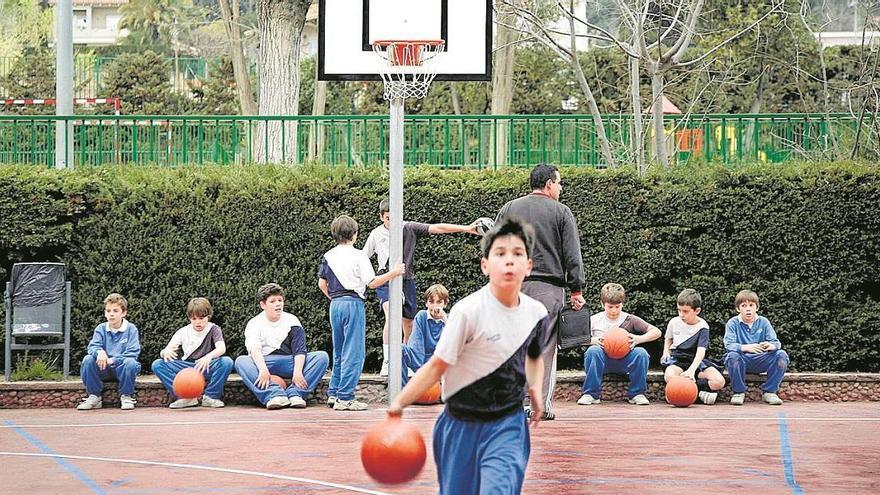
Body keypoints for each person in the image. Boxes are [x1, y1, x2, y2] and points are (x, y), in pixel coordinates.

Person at [389, 216, 551, 495]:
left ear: (529, 266)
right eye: (500, 253)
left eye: (518, 253)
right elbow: (438, 365)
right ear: (485, 265)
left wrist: (535, 388)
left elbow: (534, 356)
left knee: (498, 490)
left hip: (507, 423)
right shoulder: (467, 311)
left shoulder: (537, 314)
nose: (509, 260)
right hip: (459, 423)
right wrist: (399, 403)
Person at [496, 163, 585, 420]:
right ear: (549, 184)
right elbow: (572, 254)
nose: (561, 187)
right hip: (548, 289)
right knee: (545, 348)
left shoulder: (509, 208)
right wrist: (576, 289)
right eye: (559, 183)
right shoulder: (561, 212)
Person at [362, 198, 479, 376]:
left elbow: (437, 227)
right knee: (391, 314)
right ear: (381, 217)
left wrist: (466, 228)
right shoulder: (376, 234)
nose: (391, 222)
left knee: (408, 323)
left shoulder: (408, 228)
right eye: (387, 218)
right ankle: (388, 361)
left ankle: (406, 359)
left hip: (406, 279)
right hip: (386, 278)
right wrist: (371, 278)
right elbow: (362, 258)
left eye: (395, 217)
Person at [318, 214, 404, 411]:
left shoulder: (328, 255)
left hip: (336, 305)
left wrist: (334, 298)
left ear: (335, 234)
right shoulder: (359, 256)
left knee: (339, 351)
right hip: (353, 304)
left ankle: (334, 393)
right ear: (355, 235)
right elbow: (372, 283)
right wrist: (394, 272)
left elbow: (322, 283)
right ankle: (345, 397)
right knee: (354, 352)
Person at [234, 283, 329, 410]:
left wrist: (297, 372)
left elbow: (299, 350)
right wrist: (263, 370)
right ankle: (274, 395)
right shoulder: (254, 323)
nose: (278, 304)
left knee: (321, 357)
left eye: (280, 300)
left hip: (289, 362)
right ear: (263, 305)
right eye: (272, 301)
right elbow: (254, 349)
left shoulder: (292, 320)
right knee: (241, 361)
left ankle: (296, 394)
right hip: (265, 362)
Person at [578, 283, 662, 406]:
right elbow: (575, 338)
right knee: (593, 351)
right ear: (602, 304)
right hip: (602, 361)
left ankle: (637, 394)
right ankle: (591, 394)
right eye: (610, 306)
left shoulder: (629, 319)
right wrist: (592, 340)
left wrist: (639, 339)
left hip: (625, 361)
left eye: (617, 307)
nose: (614, 310)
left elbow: (657, 332)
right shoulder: (594, 320)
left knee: (641, 353)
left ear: (622, 304)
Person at [150, 297, 234, 409]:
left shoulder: (214, 329)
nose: (198, 322)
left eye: (201, 318)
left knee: (226, 362)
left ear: (208, 316)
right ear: (189, 318)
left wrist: (208, 357)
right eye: (194, 319)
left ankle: (210, 397)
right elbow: (167, 349)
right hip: (187, 367)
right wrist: (165, 352)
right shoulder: (183, 331)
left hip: (206, 366)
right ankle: (184, 397)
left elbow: (221, 348)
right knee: (158, 364)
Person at [723, 289, 789, 405]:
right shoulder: (732, 323)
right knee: (732, 356)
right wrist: (746, 348)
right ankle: (739, 392)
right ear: (738, 309)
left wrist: (771, 346)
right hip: (742, 359)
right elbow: (729, 344)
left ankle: (770, 392)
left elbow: (776, 343)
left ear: (756, 307)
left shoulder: (764, 322)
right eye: (744, 305)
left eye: (751, 305)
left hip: (761, 360)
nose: (748, 309)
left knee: (781, 355)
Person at [77, 293, 141, 411]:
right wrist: (100, 352)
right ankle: (94, 396)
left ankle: (126, 395)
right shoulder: (101, 328)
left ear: (124, 313)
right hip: (104, 368)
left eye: (115, 311)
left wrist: (114, 360)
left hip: (121, 368)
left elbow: (133, 352)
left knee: (131, 363)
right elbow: (93, 347)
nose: (111, 314)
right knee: (88, 359)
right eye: (108, 311)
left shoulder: (131, 329)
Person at [660, 289, 725, 405]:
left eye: (685, 311)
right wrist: (666, 352)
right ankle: (699, 396)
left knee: (718, 381)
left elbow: (701, 351)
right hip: (678, 360)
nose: (681, 315)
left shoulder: (703, 326)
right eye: (679, 310)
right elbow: (668, 338)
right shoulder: (674, 322)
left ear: (697, 311)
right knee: (669, 375)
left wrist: (691, 370)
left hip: (697, 361)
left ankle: (689, 395)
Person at [400, 284, 449, 387]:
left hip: (440, 363)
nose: (435, 306)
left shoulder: (448, 320)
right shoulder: (421, 316)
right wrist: (422, 371)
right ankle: (403, 390)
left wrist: (444, 319)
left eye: (439, 302)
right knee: (399, 349)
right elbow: (416, 346)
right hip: (421, 360)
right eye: (431, 302)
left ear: (445, 304)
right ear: (426, 303)